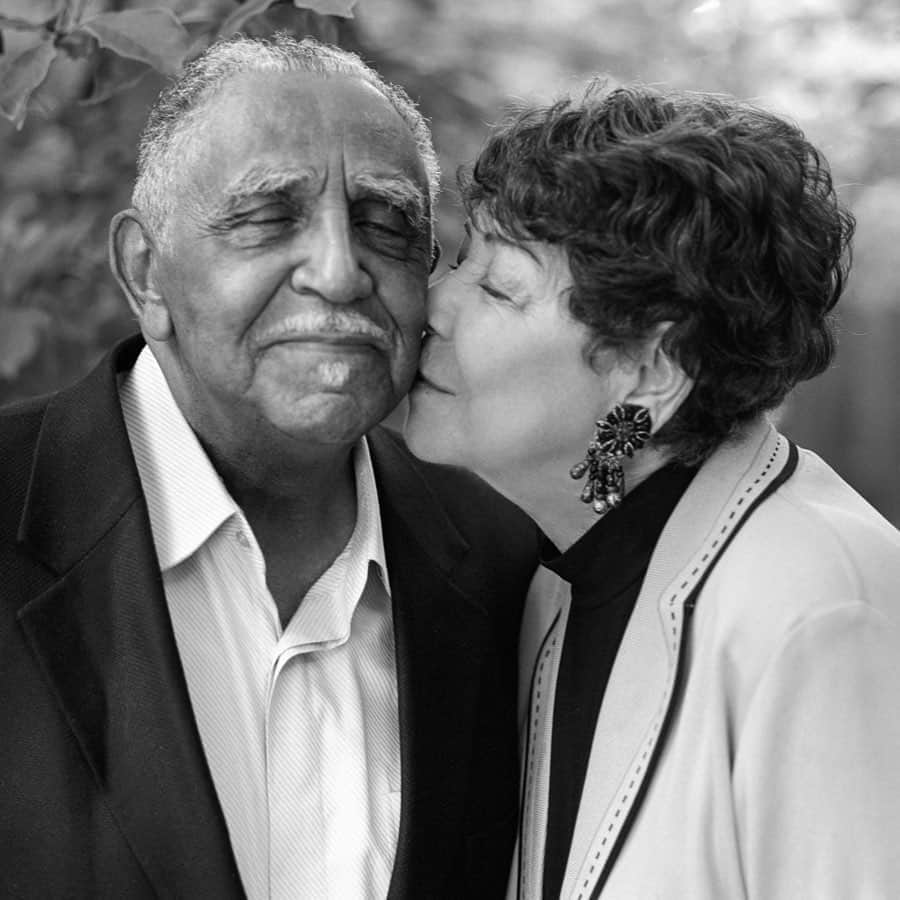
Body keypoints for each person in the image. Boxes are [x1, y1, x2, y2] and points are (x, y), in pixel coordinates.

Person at [0, 35, 539, 899]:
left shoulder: (510, 570)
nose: (338, 272)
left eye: (385, 224)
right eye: (266, 218)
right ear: (146, 272)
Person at [405, 80, 900, 899]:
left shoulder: (823, 607)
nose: (435, 305)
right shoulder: (566, 576)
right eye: (462, 262)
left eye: (498, 286)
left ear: (647, 372)